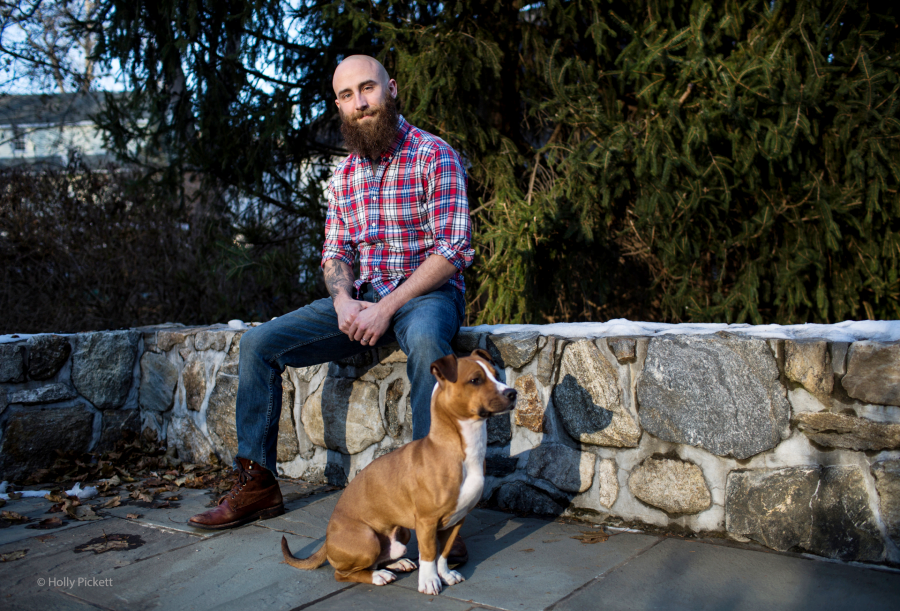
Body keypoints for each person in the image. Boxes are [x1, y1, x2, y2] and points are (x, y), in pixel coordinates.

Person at [189, 55, 474, 563]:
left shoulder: (434, 155)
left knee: (430, 345)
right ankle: (257, 485)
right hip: (358, 302)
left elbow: (452, 250)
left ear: (392, 89)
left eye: (368, 89)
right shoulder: (343, 173)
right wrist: (343, 301)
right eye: (347, 95)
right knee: (258, 344)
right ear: (339, 105)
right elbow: (335, 253)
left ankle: (439, 510)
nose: (360, 103)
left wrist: (386, 307)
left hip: (422, 297)